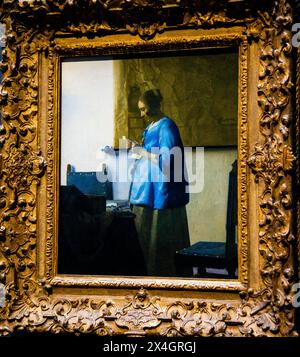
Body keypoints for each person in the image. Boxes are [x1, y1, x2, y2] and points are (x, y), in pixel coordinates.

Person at [127, 89, 190, 276]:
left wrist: (142, 152)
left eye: (144, 109)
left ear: (154, 106)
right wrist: (137, 149)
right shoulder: (152, 126)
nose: (142, 114)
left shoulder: (166, 126)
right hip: (146, 190)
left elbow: (168, 160)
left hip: (159, 192)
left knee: (159, 242)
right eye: (140, 110)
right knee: (144, 241)